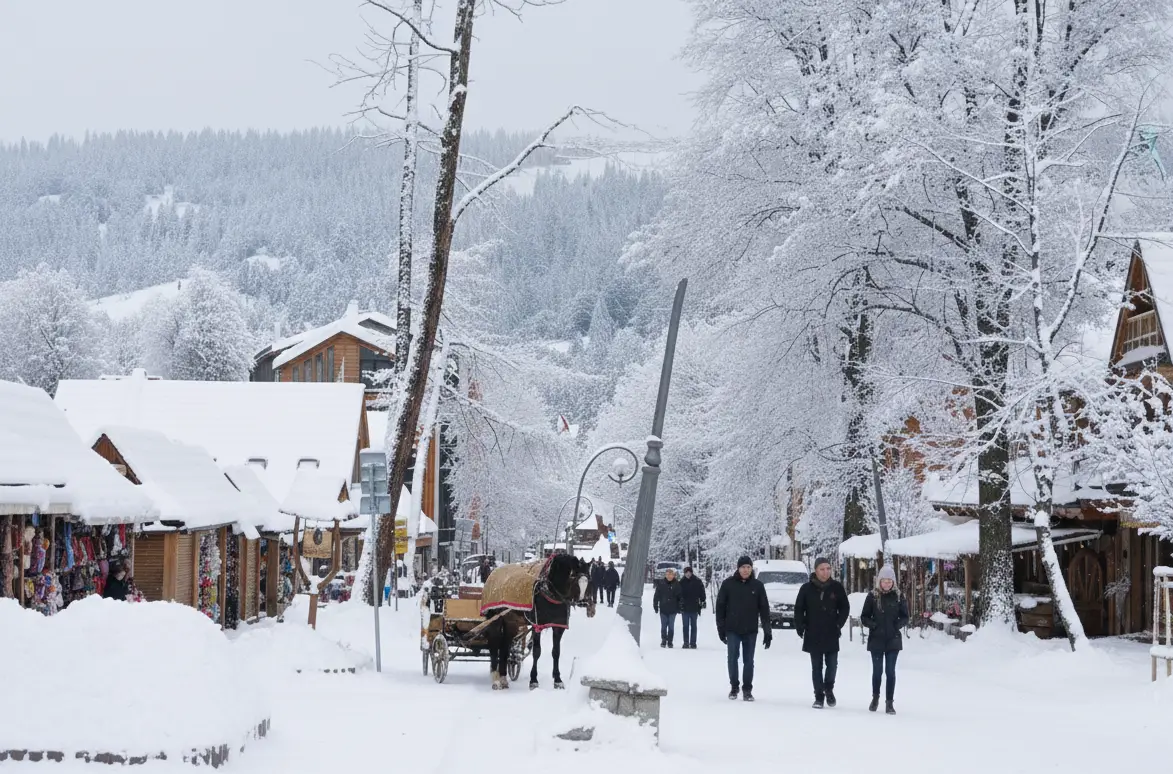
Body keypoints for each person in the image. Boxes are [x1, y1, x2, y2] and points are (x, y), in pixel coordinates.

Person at [794, 557, 851, 709]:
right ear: (816, 570)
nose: (826, 572)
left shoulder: (836, 588)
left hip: (831, 632)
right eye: (822, 569)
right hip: (813, 632)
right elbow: (799, 609)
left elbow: (844, 608)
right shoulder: (806, 589)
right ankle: (819, 696)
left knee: (832, 665)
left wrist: (838, 624)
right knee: (816, 666)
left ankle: (829, 688)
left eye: (828, 569)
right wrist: (800, 626)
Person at [715, 556, 771, 701]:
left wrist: (767, 631)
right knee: (732, 659)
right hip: (732, 629)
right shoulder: (728, 584)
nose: (745, 570)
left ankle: (747, 689)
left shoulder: (758, 586)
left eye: (748, 567)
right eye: (743, 567)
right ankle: (734, 686)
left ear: (751, 569)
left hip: (750, 629)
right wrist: (721, 628)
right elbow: (720, 607)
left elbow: (764, 609)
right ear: (738, 568)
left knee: (749, 660)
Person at [860, 564, 908, 714]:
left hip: (893, 640)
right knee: (877, 671)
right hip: (876, 640)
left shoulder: (899, 596)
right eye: (884, 581)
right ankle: (875, 698)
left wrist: (897, 625)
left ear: (893, 582)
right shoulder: (873, 596)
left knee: (890, 672)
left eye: (889, 581)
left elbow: (905, 616)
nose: (887, 584)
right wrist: (873, 625)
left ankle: (889, 702)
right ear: (879, 581)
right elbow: (864, 616)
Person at [653, 567, 682, 648]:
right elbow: (656, 596)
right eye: (668, 574)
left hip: (673, 609)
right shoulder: (661, 584)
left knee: (671, 626)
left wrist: (680, 607)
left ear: (673, 575)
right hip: (663, 608)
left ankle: (670, 641)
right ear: (665, 575)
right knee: (663, 626)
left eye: (671, 574)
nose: (669, 576)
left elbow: (680, 597)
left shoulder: (677, 584)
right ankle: (663, 640)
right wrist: (655, 605)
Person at [679, 566, 706, 649]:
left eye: (689, 572)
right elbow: (678, 594)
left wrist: (703, 600)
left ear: (691, 573)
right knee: (685, 626)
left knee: (694, 626)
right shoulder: (681, 582)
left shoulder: (697, 581)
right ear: (684, 573)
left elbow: (702, 592)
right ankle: (686, 642)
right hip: (684, 607)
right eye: (686, 573)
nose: (688, 574)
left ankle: (693, 643)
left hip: (694, 607)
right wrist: (679, 604)